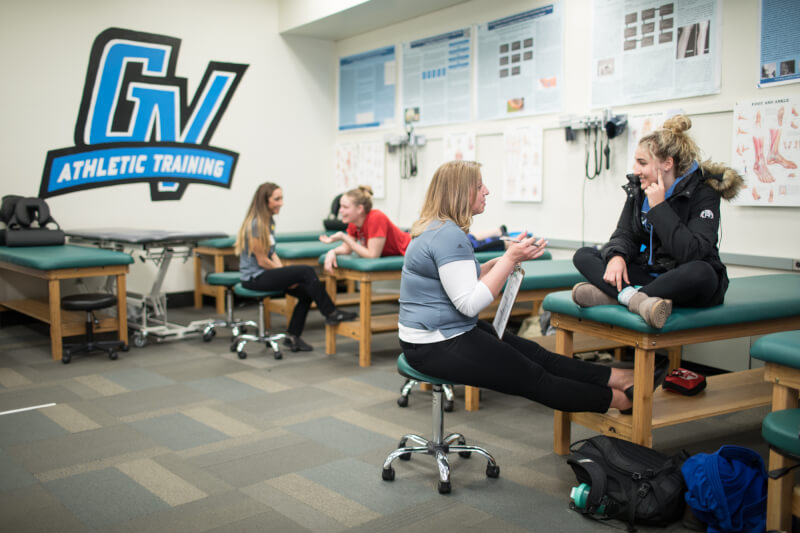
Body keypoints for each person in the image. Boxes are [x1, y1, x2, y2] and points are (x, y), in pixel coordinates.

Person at [398, 160, 637, 414]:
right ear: (460, 193)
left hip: (438, 335)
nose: (487, 191)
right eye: (479, 186)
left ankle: (619, 378)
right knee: (536, 378)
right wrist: (509, 259)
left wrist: (504, 261)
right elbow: (468, 304)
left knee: (538, 355)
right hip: (436, 344)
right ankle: (621, 400)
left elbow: (458, 279)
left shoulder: (438, 227)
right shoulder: (447, 235)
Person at [571, 115, 744, 328]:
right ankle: (637, 301)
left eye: (642, 163)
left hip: (684, 280)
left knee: (702, 272)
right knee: (584, 255)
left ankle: (617, 296)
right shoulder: (639, 187)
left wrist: (660, 207)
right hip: (650, 274)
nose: (635, 170)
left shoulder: (704, 192)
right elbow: (624, 234)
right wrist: (616, 256)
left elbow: (693, 252)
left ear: (667, 164)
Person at [235, 182, 357, 352]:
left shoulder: (268, 221)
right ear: (265, 201)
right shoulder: (256, 224)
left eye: (281, 198)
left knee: (306, 294)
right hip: (254, 278)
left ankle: (293, 336)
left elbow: (272, 253)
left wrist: (285, 276)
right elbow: (262, 261)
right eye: (277, 199)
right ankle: (331, 312)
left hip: (265, 275)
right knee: (306, 271)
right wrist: (284, 276)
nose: (281, 203)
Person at [320, 185, 411, 274]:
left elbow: (373, 255)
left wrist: (343, 237)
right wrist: (332, 252)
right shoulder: (353, 223)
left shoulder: (376, 217)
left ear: (360, 209)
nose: (340, 211)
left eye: (345, 207)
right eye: (340, 207)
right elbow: (346, 248)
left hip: (410, 248)